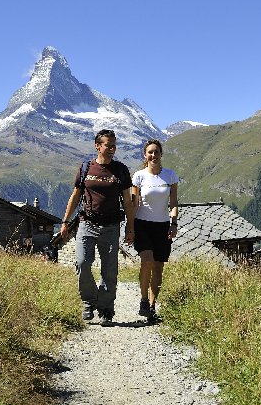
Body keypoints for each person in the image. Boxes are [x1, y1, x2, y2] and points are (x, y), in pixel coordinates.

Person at [60, 129, 135, 326]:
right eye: (107, 145)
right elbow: (75, 196)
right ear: (97, 146)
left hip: (111, 226)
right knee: (82, 263)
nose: (111, 149)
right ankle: (88, 301)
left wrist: (130, 227)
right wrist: (65, 221)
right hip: (87, 224)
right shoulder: (86, 168)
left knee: (109, 270)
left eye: (114, 146)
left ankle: (106, 309)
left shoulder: (120, 170)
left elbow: (127, 201)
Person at [131, 139, 179, 323]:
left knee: (159, 267)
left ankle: (151, 306)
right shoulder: (139, 176)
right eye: (150, 152)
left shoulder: (171, 176)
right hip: (142, 224)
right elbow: (134, 203)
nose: (153, 155)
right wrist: (130, 227)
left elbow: (173, 202)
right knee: (147, 261)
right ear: (145, 155)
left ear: (161, 154)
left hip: (162, 226)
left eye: (156, 152)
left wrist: (173, 223)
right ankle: (143, 300)